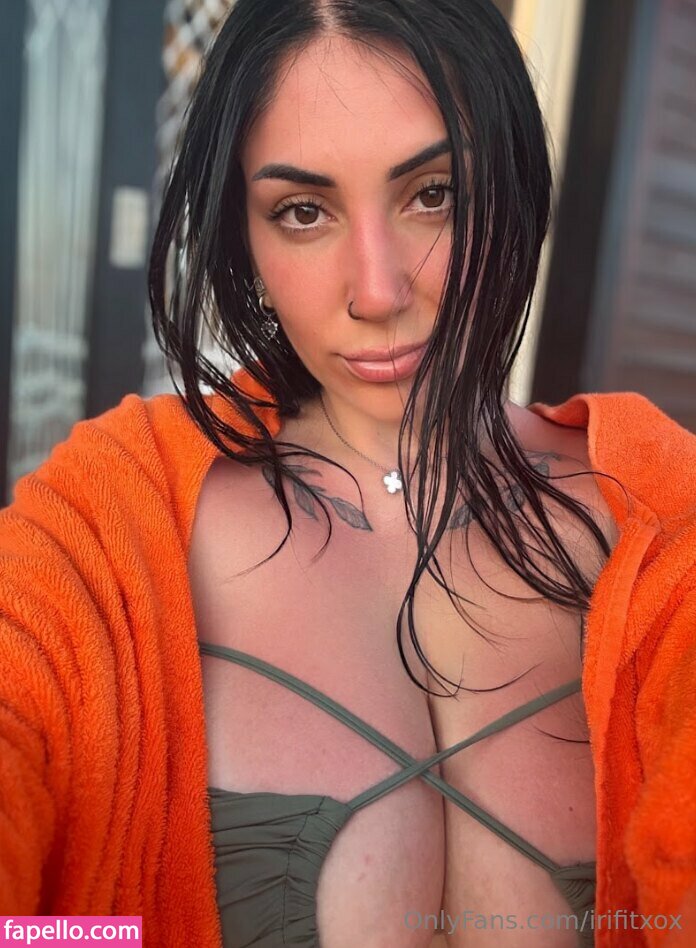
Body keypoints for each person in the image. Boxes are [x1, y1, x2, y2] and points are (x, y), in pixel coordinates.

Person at [1, 1, 695, 946]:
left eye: (434, 194)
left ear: (510, 180)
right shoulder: (114, 519)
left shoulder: (663, 516)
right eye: (303, 212)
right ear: (244, 234)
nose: (378, 291)